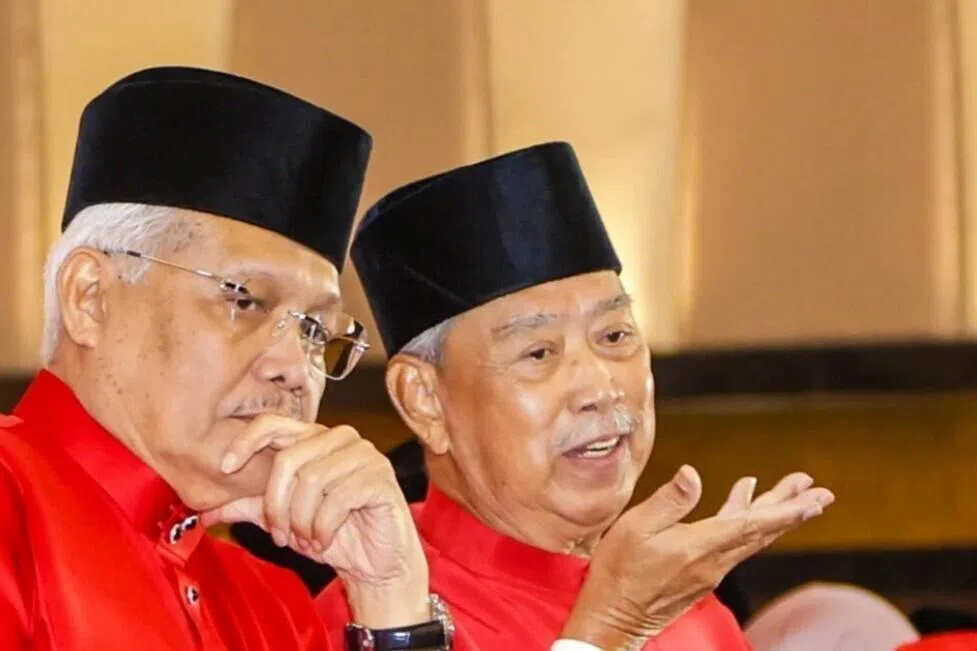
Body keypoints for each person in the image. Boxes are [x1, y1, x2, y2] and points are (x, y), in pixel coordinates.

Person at [316, 141, 835, 650]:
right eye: (539, 353)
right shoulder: (373, 616)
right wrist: (611, 629)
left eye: (615, 336)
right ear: (423, 399)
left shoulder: (683, 605)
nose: (600, 388)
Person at [0, 67, 449, 650]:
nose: (296, 369)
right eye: (245, 300)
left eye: (315, 330)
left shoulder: (271, 606)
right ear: (90, 297)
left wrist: (391, 602)